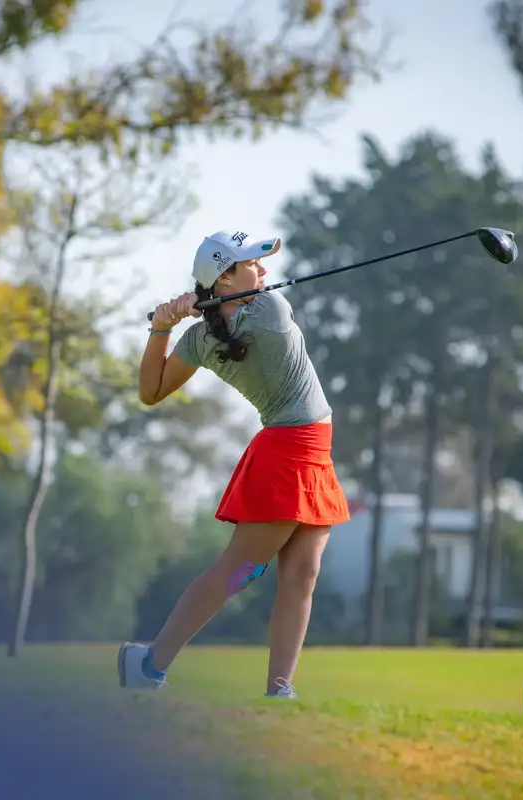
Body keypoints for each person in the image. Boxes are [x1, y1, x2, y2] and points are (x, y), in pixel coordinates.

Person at [118, 229, 350, 699]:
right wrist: (165, 327)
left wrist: (166, 323)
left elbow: (151, 388)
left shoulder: (210, 332)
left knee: (301, 575)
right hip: (288, 453)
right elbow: (151, 393)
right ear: (225, 278)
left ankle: (279, 690)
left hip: (310, 452)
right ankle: (150, 664)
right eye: (251, 264)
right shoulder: (263, 312)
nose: (264, 270)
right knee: (237, 571)